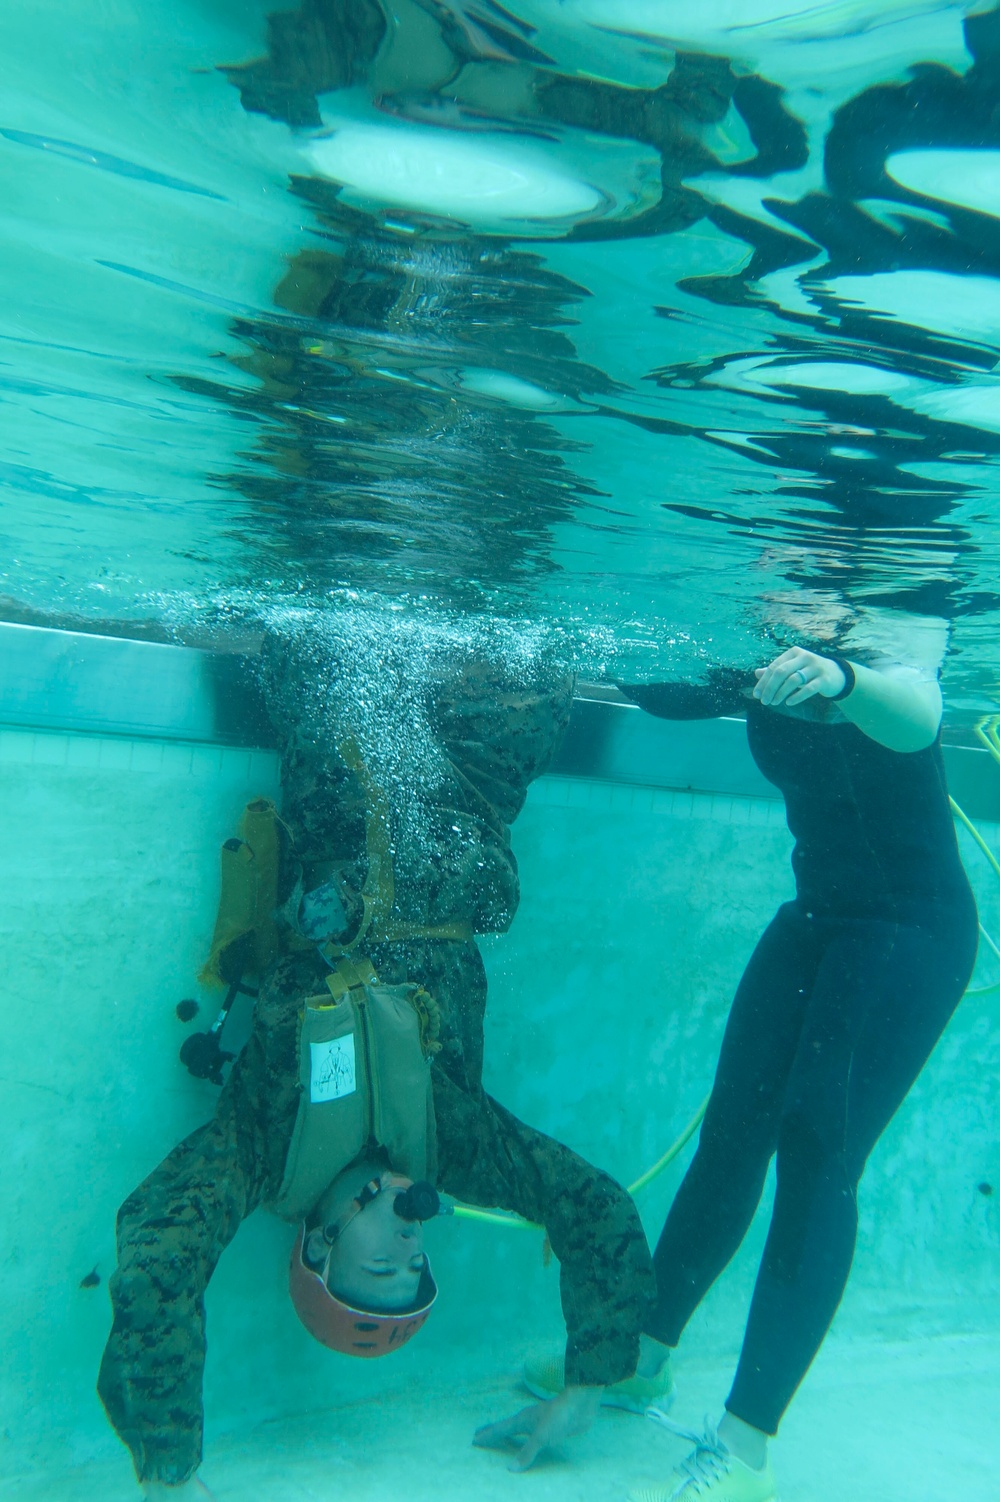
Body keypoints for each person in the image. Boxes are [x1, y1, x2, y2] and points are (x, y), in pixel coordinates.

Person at [96, 636, 656, 1496]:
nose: (409, 1244)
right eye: (418, 1267)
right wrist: (587, 1388)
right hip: (479, 774)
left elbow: (154, 1262)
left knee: (330, 609)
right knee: (523, 631)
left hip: (339, 754)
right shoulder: (457, 1146)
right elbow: (597, 1210)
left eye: (382, 1268)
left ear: (321, 1244)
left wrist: (167, 1470)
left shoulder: (258, 1153)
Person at [610, 634, 978, 1501]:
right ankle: (640, 1360)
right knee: (730, 1138)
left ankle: (744, 1450)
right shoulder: (766, 645)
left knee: (816, 1158)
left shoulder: (892, 645)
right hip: (816, 918)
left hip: (910, 931)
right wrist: (580, 646)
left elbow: (918, 713)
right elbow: (675, 692)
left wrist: (843, 675)